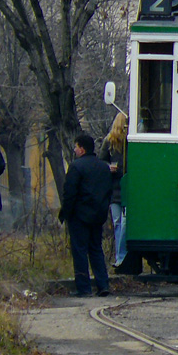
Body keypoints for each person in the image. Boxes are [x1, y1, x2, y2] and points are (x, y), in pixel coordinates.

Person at [58, 133, 112, 297]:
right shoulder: (103, 167)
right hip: (98, 215)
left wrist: (65, 213)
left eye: (76, 147)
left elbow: (70, 193)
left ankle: (84, 288)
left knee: (80, 250)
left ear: (81, 148)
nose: (74, 150)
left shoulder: (76, 167)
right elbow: (108, 191)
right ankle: (103, 285)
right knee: (96, 249)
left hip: (79, 216)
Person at [99, 113, 128, 268]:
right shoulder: (109, 141)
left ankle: (123, 255)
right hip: (115, 187)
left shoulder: (131, 141)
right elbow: (101, 160)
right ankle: (120, 256)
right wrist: (108, 167)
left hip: (128, 186)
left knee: (125, 222)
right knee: (117, 222)